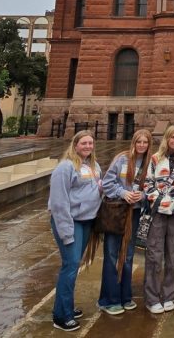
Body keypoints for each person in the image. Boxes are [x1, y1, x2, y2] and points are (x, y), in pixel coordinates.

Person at [49, 130, 102, 332]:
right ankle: (61, 316)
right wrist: (66, 231)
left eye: (90, 143)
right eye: (84, 143)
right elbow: (59, 202)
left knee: (73, 266)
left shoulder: (94, 165)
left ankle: (67, 306)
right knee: (69, 266)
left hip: (86, 221)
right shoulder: (65, 167)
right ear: (75, 145)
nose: (88, 146)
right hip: (70, 222)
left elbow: (97, 188)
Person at [98, 129, 153, 315]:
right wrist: (124, 193)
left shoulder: (149, 163)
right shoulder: (121, 159)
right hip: (116, 212)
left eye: (145, 142)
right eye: (139, 142)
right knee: (112, 254)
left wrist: (142, 195)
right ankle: (109, 300)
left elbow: (152, 188)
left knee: (128, 255)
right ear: (134, 142)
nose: (142, 145)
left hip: (134, 213)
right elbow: (107, 183)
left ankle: (125, 297)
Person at [143, 125, 174, 314]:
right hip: (159, 212)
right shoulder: (155, 159)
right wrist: (159, 202)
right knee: (154, 255)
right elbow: (147, 183)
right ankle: (152, 297)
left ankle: (169, 295)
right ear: (167, 138)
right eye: (173, 137)